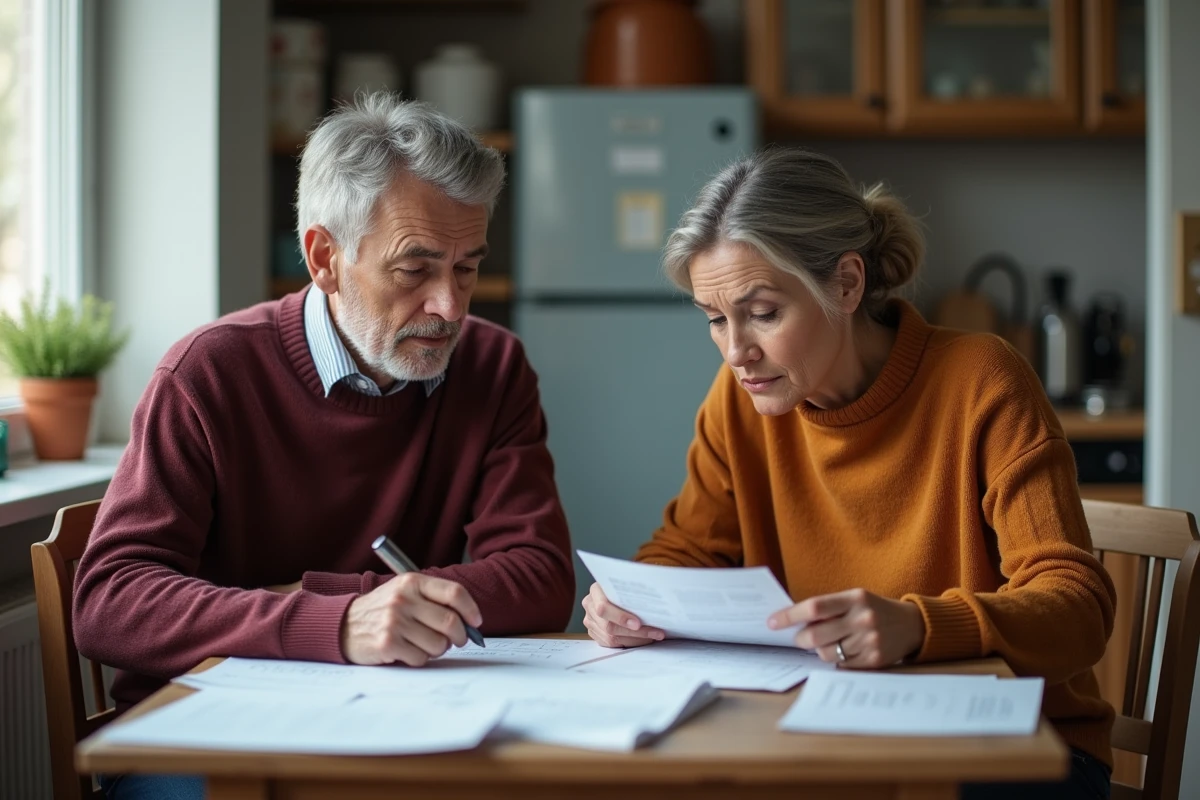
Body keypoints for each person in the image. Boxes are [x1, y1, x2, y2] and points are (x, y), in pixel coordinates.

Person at [74, 93, 574, 800]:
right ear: (324, 258)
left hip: (396, 724)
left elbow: (540, 580)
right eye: (415, 269)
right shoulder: (207, 373)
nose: (451, 307)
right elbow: (110, 602)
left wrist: (349, 604)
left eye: (466, 268)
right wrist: (336, 624)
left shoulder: (493, 368)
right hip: (206, 737)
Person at [581, 147, 1116, 800]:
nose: (736, 351)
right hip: (827, 739)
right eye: (716, 320)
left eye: (764, 313)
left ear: (846, 283)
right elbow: (688, 548)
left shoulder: (982, 380)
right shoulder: (739, 399)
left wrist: (919, 626)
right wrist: (632, 603)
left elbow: (1078, 610)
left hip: (1020, 754)